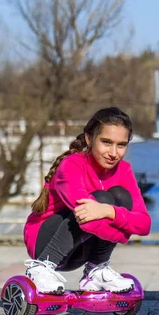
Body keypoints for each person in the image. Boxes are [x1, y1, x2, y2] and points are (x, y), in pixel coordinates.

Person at [23, 107, 151, 294]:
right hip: (45, 242)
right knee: (101, 198)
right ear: (89, 139)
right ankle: (41, 268)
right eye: (106, 142)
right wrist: (125, 230)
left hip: (80, 249)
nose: (113, 153)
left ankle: (96, 270)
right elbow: (86, 219)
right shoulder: (71, 165)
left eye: (121, 145)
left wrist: (110, 212)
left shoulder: (124, 170)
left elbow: (145, 224)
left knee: (120, 196)